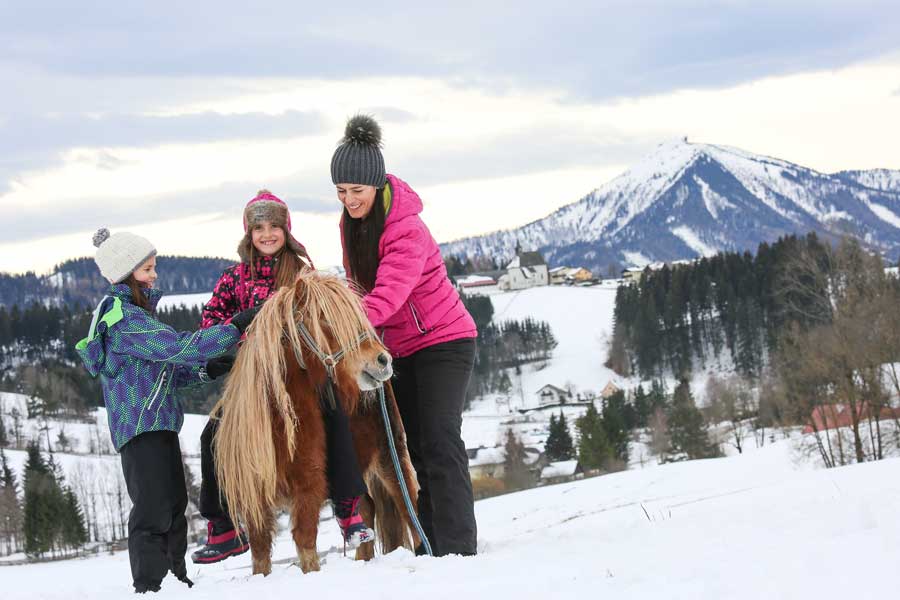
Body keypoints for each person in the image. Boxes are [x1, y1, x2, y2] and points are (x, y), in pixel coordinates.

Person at [191, 190, 374, 564]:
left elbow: (325, 319)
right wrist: (236, 337)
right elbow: (210, 323)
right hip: (253, 379)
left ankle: (347, 507)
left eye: (274, 226)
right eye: (259, 227)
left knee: (335, 414)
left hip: (302, 374)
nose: (267, 234)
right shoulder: (233, 279)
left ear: (286, 230)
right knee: (212, 433)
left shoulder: (302, 274)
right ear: (249, 234)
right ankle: (223, 525)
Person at [75, 228, 259, 593]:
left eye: (153, 267)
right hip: (139, 429)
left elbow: (167, 373)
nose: (154, 275)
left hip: (158, 425)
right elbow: (176, 347)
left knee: (174, 506)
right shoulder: (124, 320)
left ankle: (175, 578)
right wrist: (233, 328)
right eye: (147, 269)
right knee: (154, 509)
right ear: (126, 273)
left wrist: (210, 368)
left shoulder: (135, 314)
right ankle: (149, 585)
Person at [332, 114, 479, 557]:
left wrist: (343, 326)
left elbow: (387, 296)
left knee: (439, 440)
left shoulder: (405, 227)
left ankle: (457, 547)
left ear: (376, 185)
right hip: (400, 349)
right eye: (341, 192)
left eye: (357, 191)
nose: (349, 199)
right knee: (415, 445)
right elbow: (358, 286)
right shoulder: (351, 224)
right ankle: (430, 543)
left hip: (444, 341)